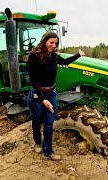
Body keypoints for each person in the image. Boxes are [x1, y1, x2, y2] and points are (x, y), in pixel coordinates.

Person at [27, 31, 85, 161]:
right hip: (37, 95)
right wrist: (43, 100)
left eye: (55, 43)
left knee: (48, 125)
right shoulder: (34, 56)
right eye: (51, 42)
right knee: (36, 122)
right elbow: (33, 80)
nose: (53, 45)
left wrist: (78, 55)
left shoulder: (54, 56)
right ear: (44, 42)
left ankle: (48, 152)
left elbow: (65, 62)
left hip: (52, 93)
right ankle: (37, 142)